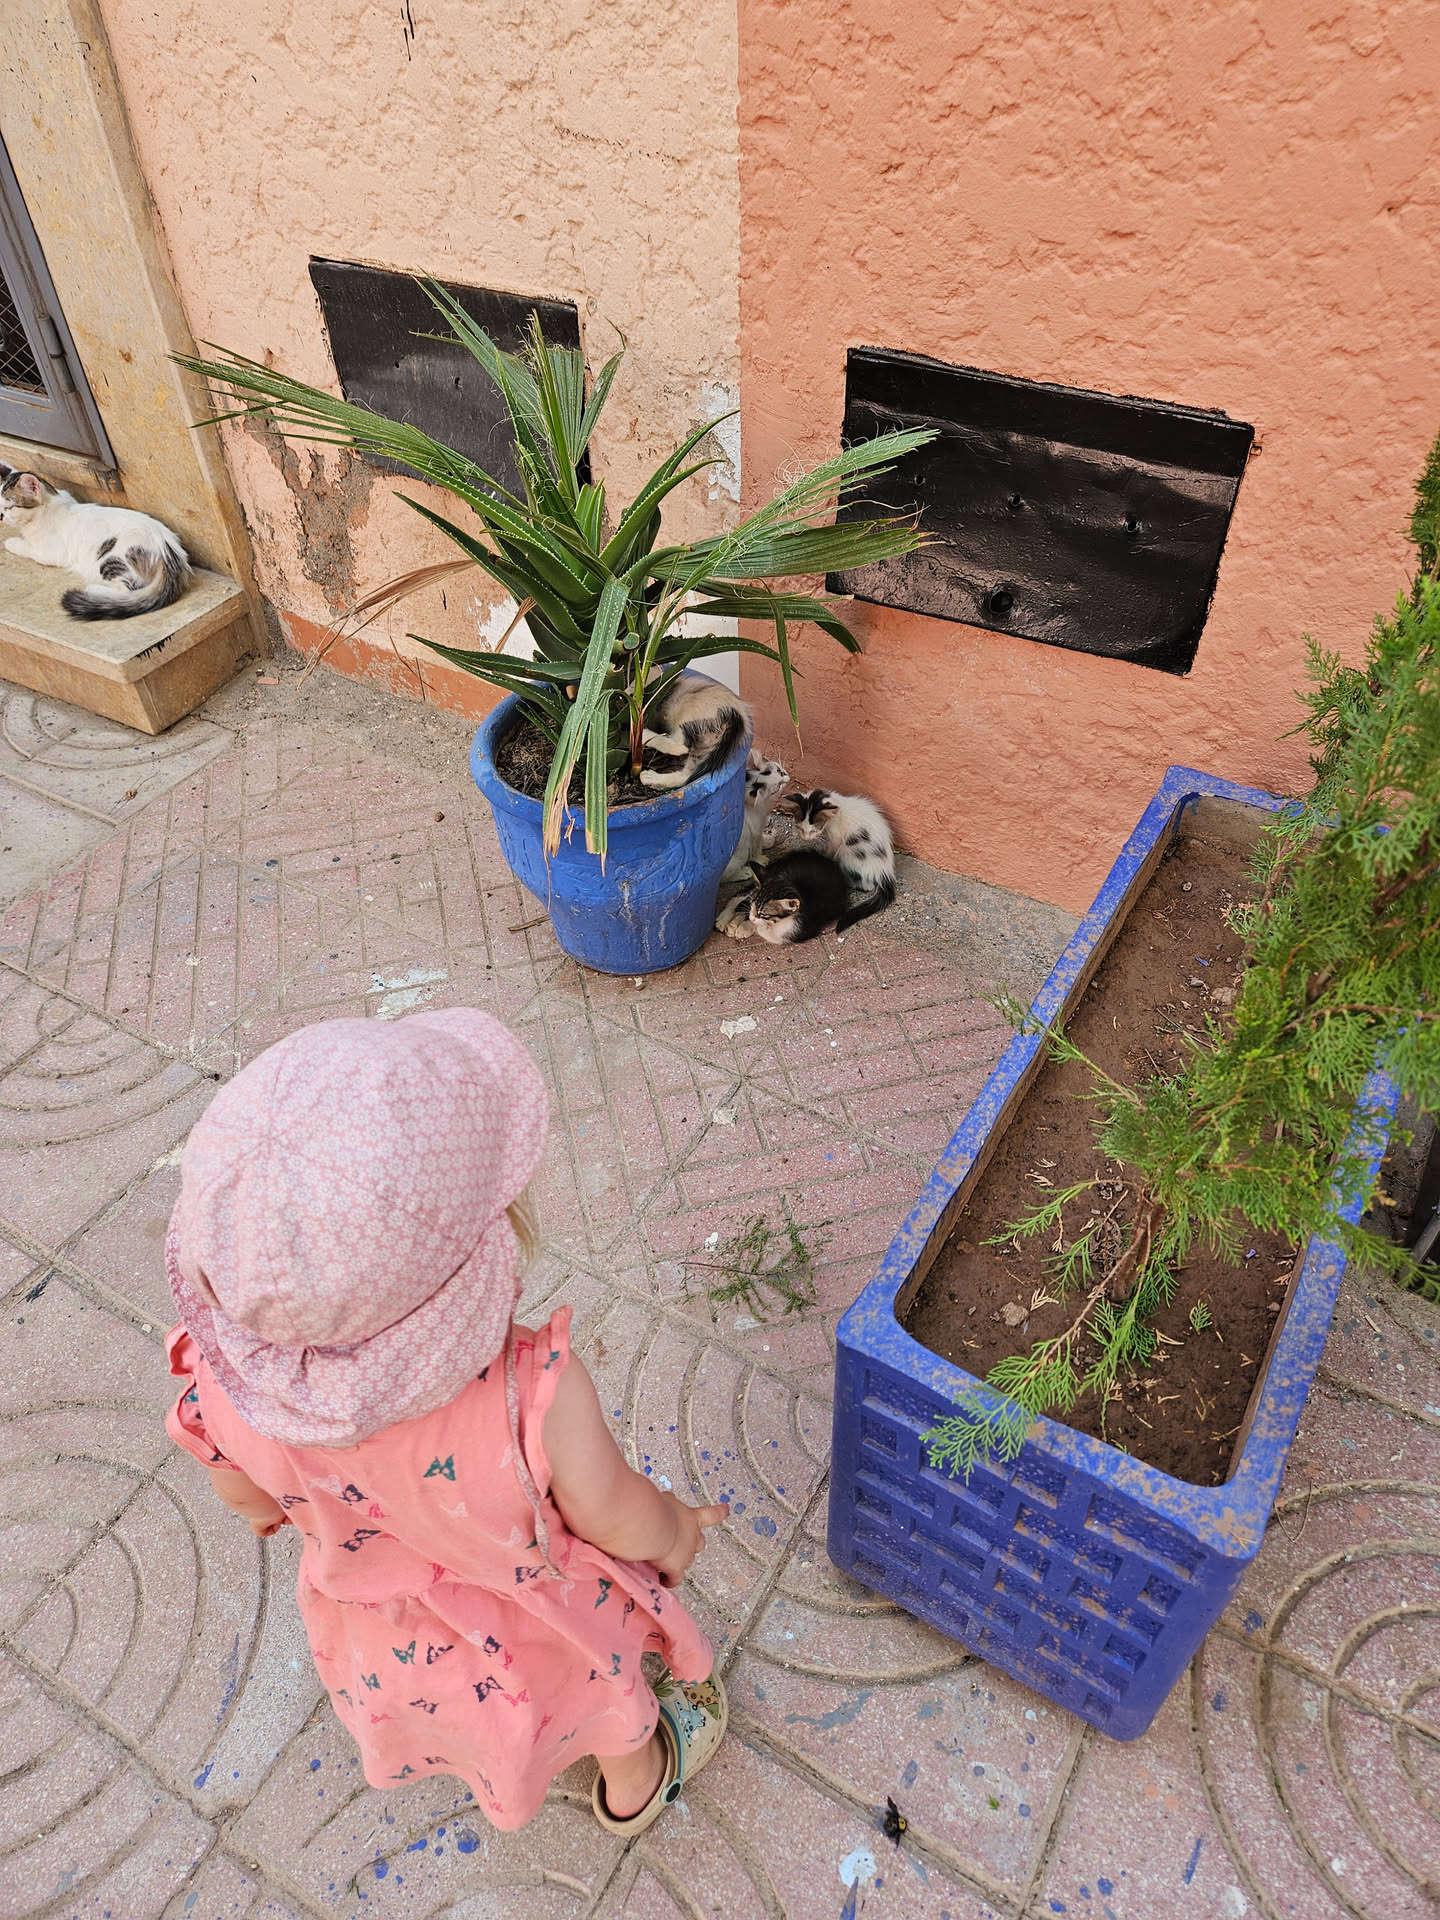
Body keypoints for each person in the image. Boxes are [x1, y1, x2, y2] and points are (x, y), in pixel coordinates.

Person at [163, 1010, 728, 1834]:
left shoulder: (220, 1377)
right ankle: (635, 1781)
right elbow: (613, 1513)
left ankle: (509, 1766)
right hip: (544, 1625)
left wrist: (273, 1507)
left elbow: (242, 1493)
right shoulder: (534, 1393)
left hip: (389, 1636)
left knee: (473, 1715)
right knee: (598, 1691)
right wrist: (673, 1531)